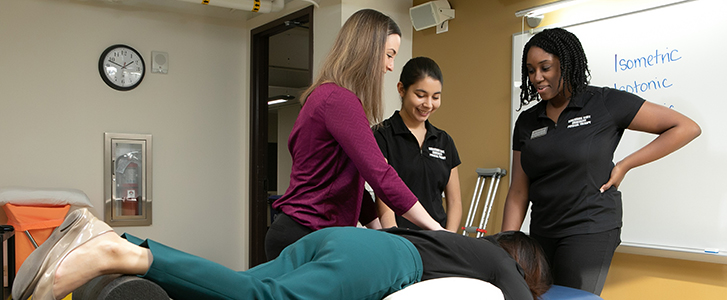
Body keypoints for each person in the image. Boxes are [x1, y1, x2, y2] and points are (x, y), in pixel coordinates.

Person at [502, 28, 701, 295]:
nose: (537, 77)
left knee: (572, 298)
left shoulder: (603, 102)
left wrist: (625, 165)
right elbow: (518, 189)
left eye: (545, 68)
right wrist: (507, 245)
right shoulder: (527, 121)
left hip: (589, 228)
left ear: (566, 63)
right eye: (530, 70)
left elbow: (685, 127)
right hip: (542, 230)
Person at [13, 208, 551, 300]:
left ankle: (113, 238)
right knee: (260, 298)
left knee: (233, 285)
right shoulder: (501, 264)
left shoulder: (468, 248)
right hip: (385, 258)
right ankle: (121, 253)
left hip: (341, 238)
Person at [265, 9, 445, 260]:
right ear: (368, 51)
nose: (391, 66)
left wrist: (380, 231)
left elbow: (347, 182)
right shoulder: (339, 100)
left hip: (302, 235)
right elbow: (380, 175)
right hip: (305, 237)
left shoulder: (325, 96)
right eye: (389, 55)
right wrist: (437, 229)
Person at [373, 57, 462, 232]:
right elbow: (383, 197)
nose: (428, 104)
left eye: (435, 97)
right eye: (420, 96)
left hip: (437, 240)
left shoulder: (444, 141)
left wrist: (449, 240)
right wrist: (395, 237)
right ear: (401, 89)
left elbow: (454, 201)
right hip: (400, 238)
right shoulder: (382, 135)